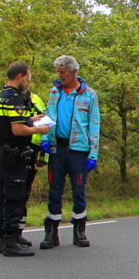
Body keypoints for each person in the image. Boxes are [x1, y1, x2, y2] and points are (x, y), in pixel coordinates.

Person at [0, 62, 51, 257]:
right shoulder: (15, 99)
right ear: (19, 76)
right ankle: (9, 240)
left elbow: (6, 123)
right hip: (13, 154)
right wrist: (37, 129)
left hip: (3, 152)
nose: (28, 82)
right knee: (14, 197)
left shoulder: (0, 96)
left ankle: (10, 236)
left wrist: (30, 119)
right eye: (28, 78)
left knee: (6, 195)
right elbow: (16, 130)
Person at [40, 55, 100, 249]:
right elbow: (48, 117)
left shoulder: (89, 94)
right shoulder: (54, 92)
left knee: (78, 190)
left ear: (74, 71)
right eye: (58, 72)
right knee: (54, 189)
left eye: (63, 72)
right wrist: (44, 139)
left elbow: (94, 124)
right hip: (57, 148)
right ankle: (51, 233)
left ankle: (79, 231)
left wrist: (93, 154)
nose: (60, 76)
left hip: (79, 150)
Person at [0, 86, 48, 251]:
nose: (29, 82)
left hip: (30, 152)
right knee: (6, 193)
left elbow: (45, 125)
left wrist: (43, 154)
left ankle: (16, 232)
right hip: (8, 151)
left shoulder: (35, 99)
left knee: (21, 195)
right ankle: (1, 234)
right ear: (20, 77)